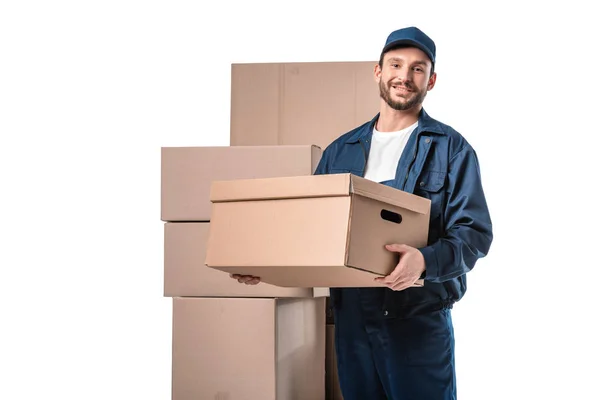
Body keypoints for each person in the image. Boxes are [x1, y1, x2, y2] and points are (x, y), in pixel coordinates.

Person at [231, 26, 493, 400]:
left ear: (431, 80)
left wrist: (424, 261)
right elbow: (308, 229)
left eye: (418, 69)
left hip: (416, 320)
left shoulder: (452, 149)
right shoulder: (340, 151)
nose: (405, 76)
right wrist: (266, 264)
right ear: (378, 72)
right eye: (396, 65)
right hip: (352, 319)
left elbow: (474, 234)